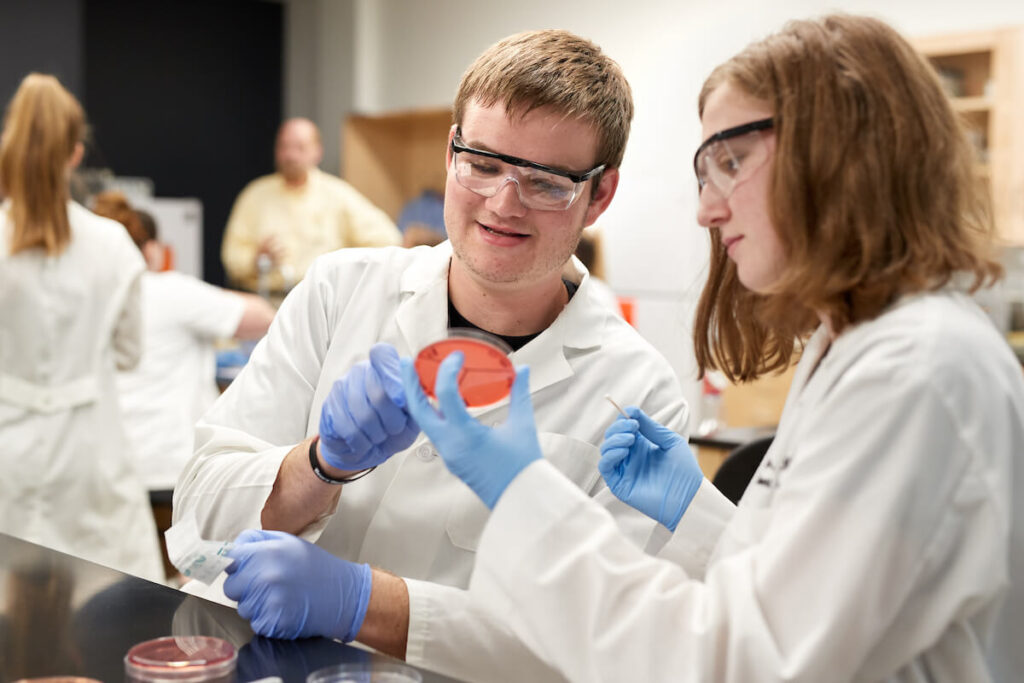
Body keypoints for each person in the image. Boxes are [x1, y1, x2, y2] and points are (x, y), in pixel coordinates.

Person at [397, 14, 1024, 682]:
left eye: (732, 161)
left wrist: (521, 491)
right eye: (707, 170)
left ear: (841, 157)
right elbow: (805, 600)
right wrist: (695, 510)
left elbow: (742, 661)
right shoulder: (860, 346)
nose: (706, 210)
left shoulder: (915, 373)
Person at [175, 30, 691, 683]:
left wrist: (363, 602)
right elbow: (195, 513)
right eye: (483, 162)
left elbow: (605, 643)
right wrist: (319, 465)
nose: (505, 202)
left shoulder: (638, 388)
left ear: (600, 194)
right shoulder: (341, 290)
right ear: (451, 152)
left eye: (547, 181)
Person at [0, 74, 163, 581]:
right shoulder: (114, 244)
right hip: (91, 453)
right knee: (102, 611)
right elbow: (131, 353)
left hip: (8, 455)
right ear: (75, 153)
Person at [91, 191, 276, 491]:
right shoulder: (172, 291)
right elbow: (265, 317)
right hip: (170, 468)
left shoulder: (87, 297)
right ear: (151, 250)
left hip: (103, 468)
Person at [220, 117, 401, 295]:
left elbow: (387, 239)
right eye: (284, 146)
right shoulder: (255, 195)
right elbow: (231, 255)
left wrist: (341, 268)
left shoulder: (338, 195)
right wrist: (255, 260)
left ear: (317, 151)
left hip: (319, 300)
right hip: (265, 300)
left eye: (300, 147)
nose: (290, 155)